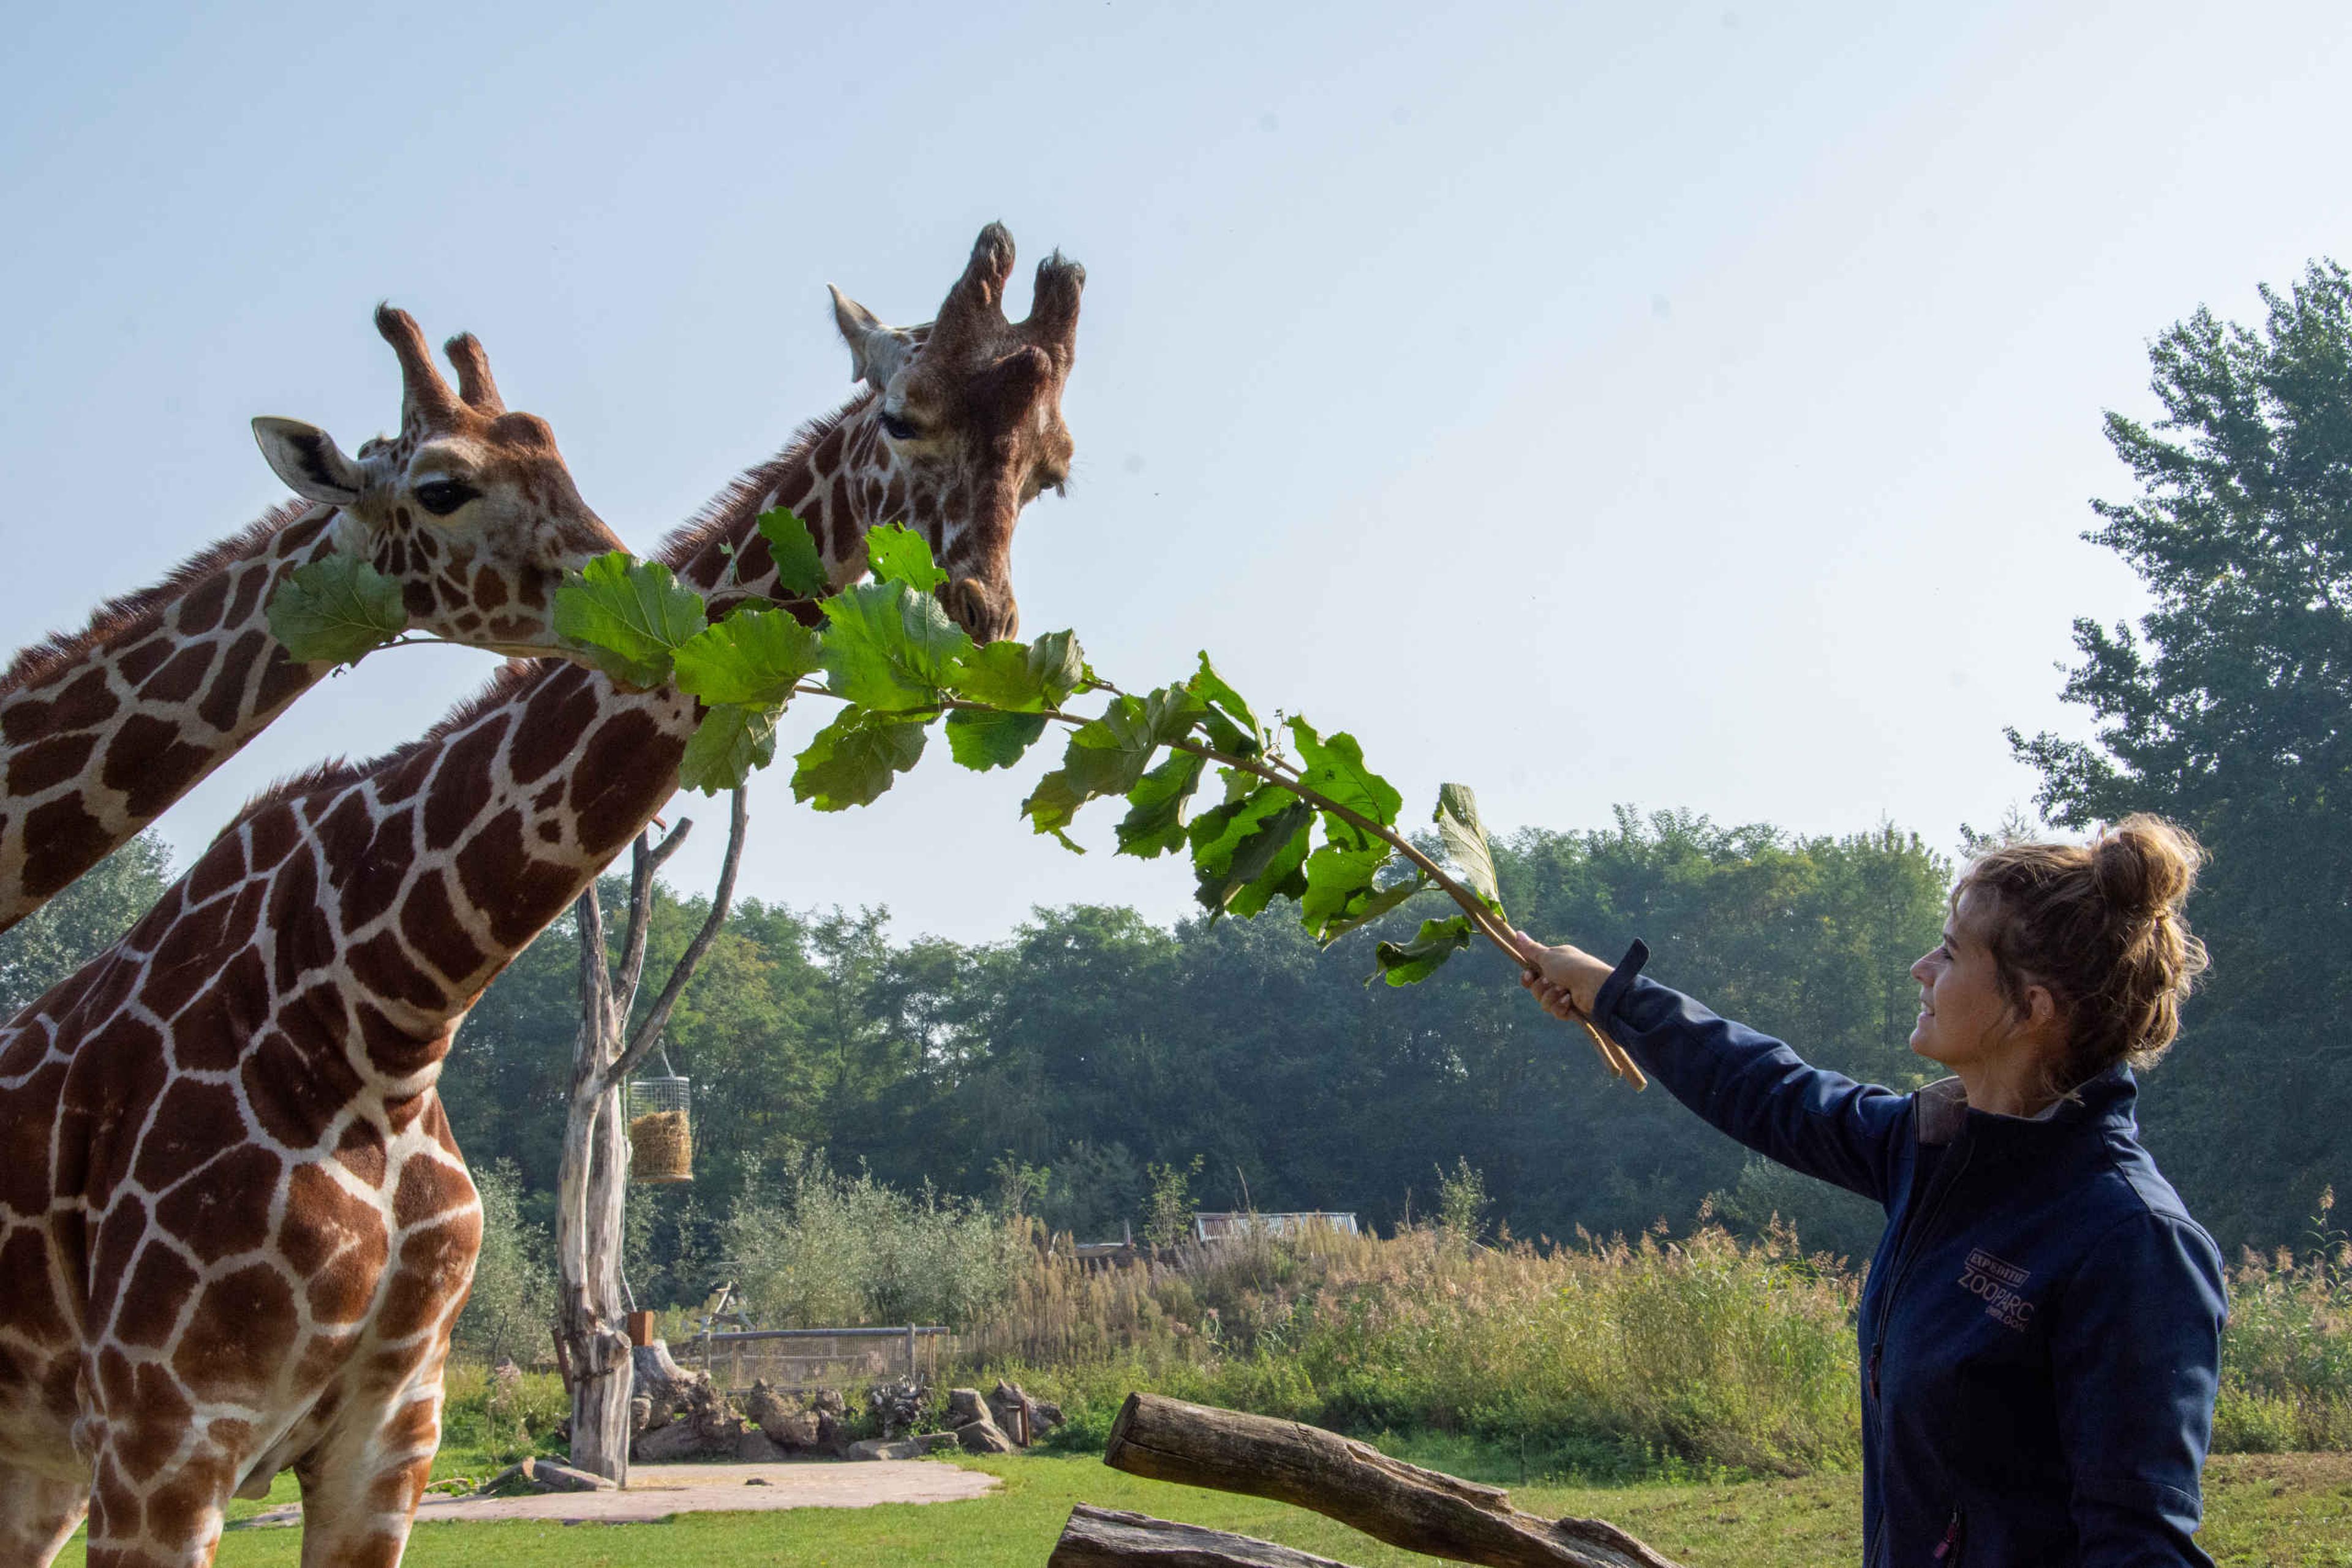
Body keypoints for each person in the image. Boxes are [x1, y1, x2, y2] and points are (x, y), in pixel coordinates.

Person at [1511, 815, 2228, 1567]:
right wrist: (1613, 996)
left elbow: (2139, 1547)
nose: (1921, 968)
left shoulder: (2135, 1245)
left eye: (1950, 954)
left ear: (2034, 1008)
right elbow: (1771, 1090)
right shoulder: (1936, 1153)